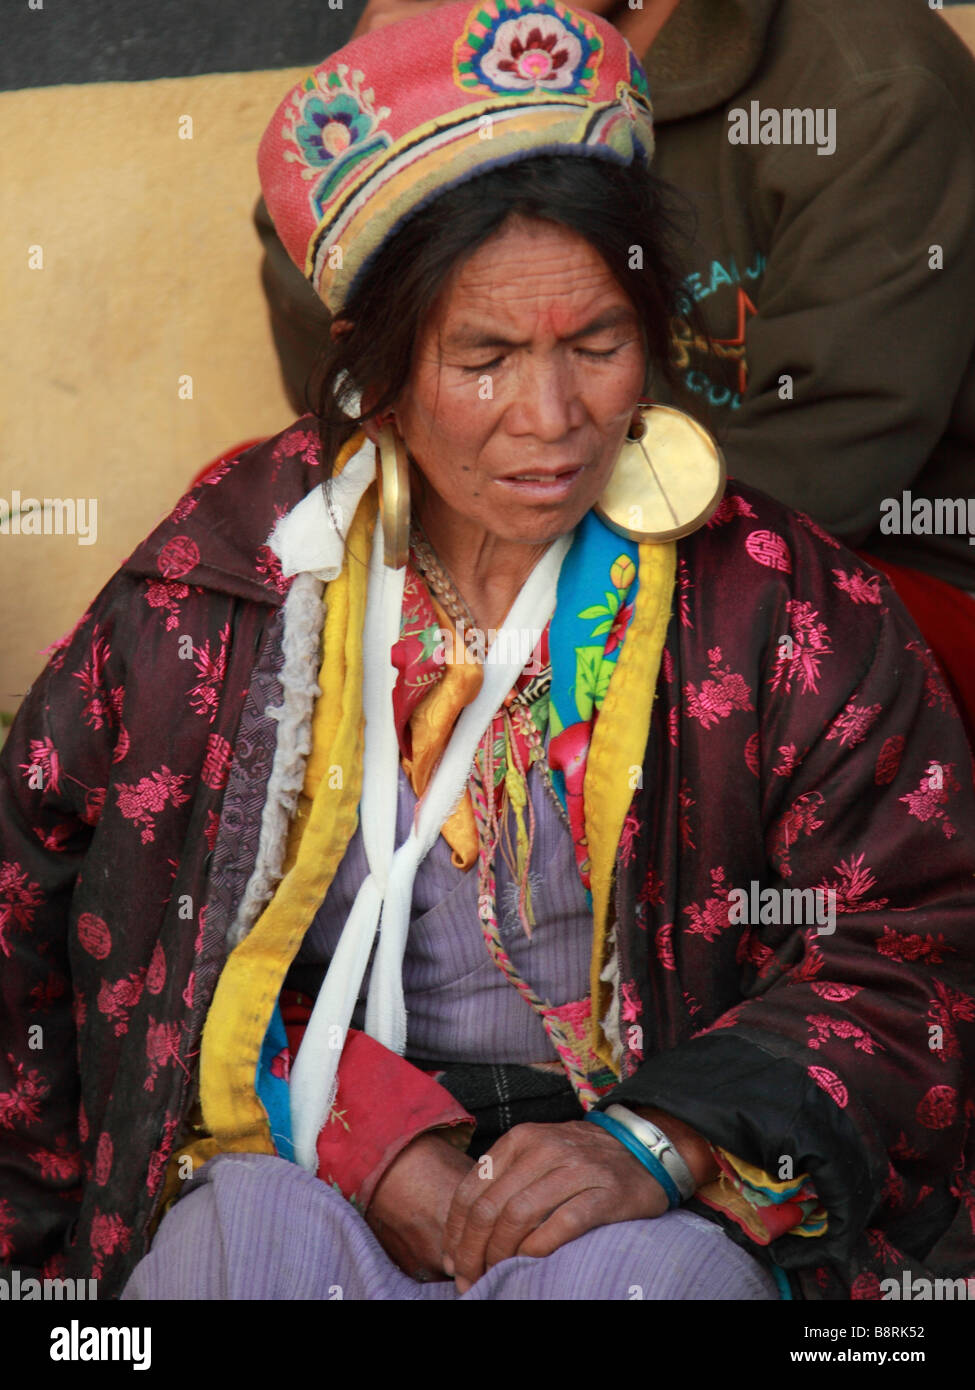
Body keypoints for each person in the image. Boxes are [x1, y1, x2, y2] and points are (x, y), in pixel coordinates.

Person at [1, 1, 973, 1302]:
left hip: (648, 1185)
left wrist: (661, 1138)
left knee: (648, 1284)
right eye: (485, 355)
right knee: (240, 1250)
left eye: (597, 344)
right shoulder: (228, 580)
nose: (552, 417)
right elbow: (40, 898)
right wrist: (355, 1129)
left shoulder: (773, 602)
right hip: (302, 1147)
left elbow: (912, 931)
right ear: (380, 373)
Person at [254, 0, 975, 736]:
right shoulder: (475, 52)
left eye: (598, 345)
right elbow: (349, 386)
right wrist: (373, 91)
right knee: (261, 569)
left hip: (857, 563)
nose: (548, 407)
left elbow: (836, 445)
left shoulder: (871, 80)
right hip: (530, 519)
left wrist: (548, 590)